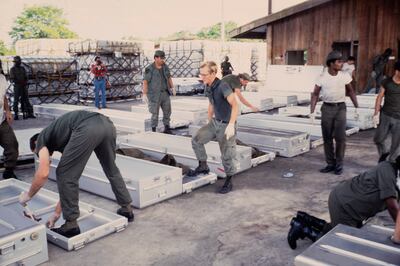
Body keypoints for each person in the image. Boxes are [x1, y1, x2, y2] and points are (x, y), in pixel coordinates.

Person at [19, 110, 134, 238]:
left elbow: (43, 173)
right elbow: (68, 184)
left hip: (87, 127)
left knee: (64, 174)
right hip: (107, 125)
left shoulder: (41, 139)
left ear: (36, 145)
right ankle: (126, 209)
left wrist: (28, 196)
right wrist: (56, 214)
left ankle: (71, 226)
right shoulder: (63, 139)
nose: (40, 156)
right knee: (111, 168)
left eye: (37, 153)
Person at [288, 156, 400, 249]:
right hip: (345, 205)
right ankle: (302, 229)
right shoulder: (387, 169)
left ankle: (305, 219)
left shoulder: (396, 178)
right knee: (342, 243)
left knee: (337, 229)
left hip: (352, 207)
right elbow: (392, 205)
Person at [191, 61, 238, 194]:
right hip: (215, 122)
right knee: (196, 140)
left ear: (213, 73)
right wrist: (209, 119)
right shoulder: (208, 86)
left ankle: (229, 180)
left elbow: (235, 105)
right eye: (201, 74)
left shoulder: (223, 86)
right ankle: (203, 165)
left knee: (227, 154)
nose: (202, 77)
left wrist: (231, 124)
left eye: (205, 74)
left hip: (226, 124)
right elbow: (211, 104)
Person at [310, 51, 359, 175]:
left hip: (340, 108)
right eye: (339, 61)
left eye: (342, 61)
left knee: (340, 138)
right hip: (327, 108)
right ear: (331, 64)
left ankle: (339, 165)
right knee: (327, 138)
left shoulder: (344, 76)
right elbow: (315, 94)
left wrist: (356, 107)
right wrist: (312, 111)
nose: (341, 64)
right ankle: (330, 164)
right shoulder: (322, 77)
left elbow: (351, 91)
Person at [142, 50, 175, 134]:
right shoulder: (149, 69)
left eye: (164, 58)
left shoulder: (165, 66)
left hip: (165, 93)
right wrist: (144, 94)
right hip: (154, 95)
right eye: (161, 58)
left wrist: (172, 87)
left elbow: (169, 77)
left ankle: (167, 128)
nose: (163, 60)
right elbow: (145, 81)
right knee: (154, 113)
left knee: (167, 111)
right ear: (156, 58)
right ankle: (153, 130)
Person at [373, 61, 400, 163]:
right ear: (397, 71)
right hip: (386, 115)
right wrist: (376, 113)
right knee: (378, 139)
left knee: (396, 144)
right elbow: (379, 97)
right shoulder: (386, 82)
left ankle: (391, 164)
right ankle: (384, 154)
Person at [0, 59, 19, 179]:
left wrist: (7, 111)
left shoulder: (1, 78)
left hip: (1, 120)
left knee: (12, 145)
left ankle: (9, 171)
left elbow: (4, 96)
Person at [9, 56, 35, 120]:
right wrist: (20, 82)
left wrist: (25, 81)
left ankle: (29, 113)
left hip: (24, 86)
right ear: (15, 62)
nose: (19, 63)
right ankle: (16, 114)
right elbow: (12, 79)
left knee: (26, 99)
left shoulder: (22, 68)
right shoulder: (12, 69)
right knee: (16, 100)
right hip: (17, 86)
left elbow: (26, 76)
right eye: (18, 61)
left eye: (20, 61)